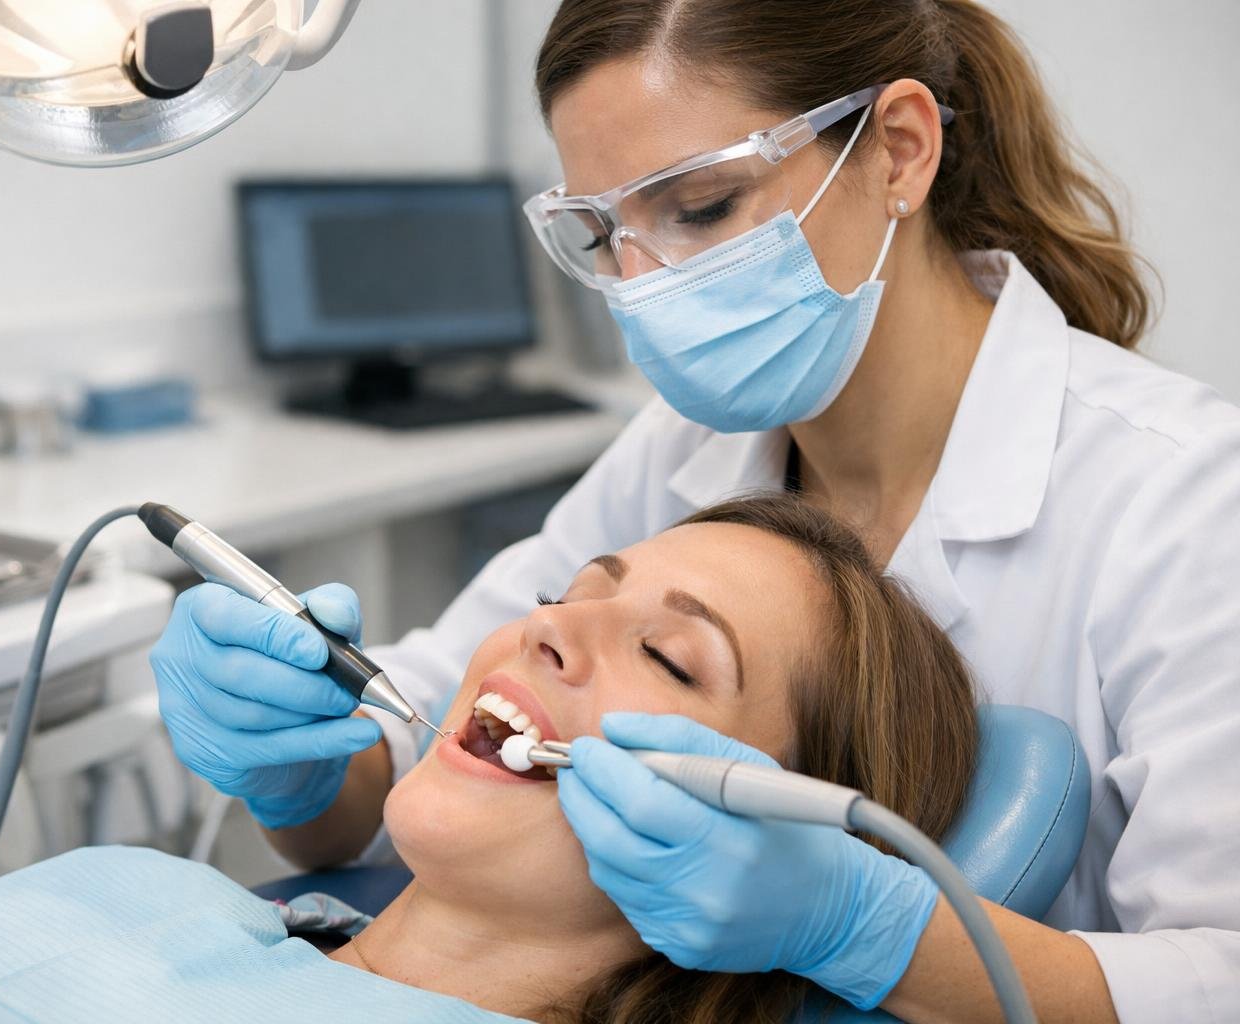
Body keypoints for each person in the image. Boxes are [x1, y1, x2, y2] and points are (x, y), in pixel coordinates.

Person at [151, 1, 1240, 1021]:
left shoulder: (1186, 500)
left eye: (700, 207)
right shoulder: (686, 449)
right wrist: (296, 767)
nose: (645, 280)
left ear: (900, 150)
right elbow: (412, 743)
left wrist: (866, 925)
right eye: (601, 233)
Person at [0, 496, 979, 1023]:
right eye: (574, 589)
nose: (549, 627)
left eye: (671, 657)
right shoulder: (148, 888)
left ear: (764, 837)